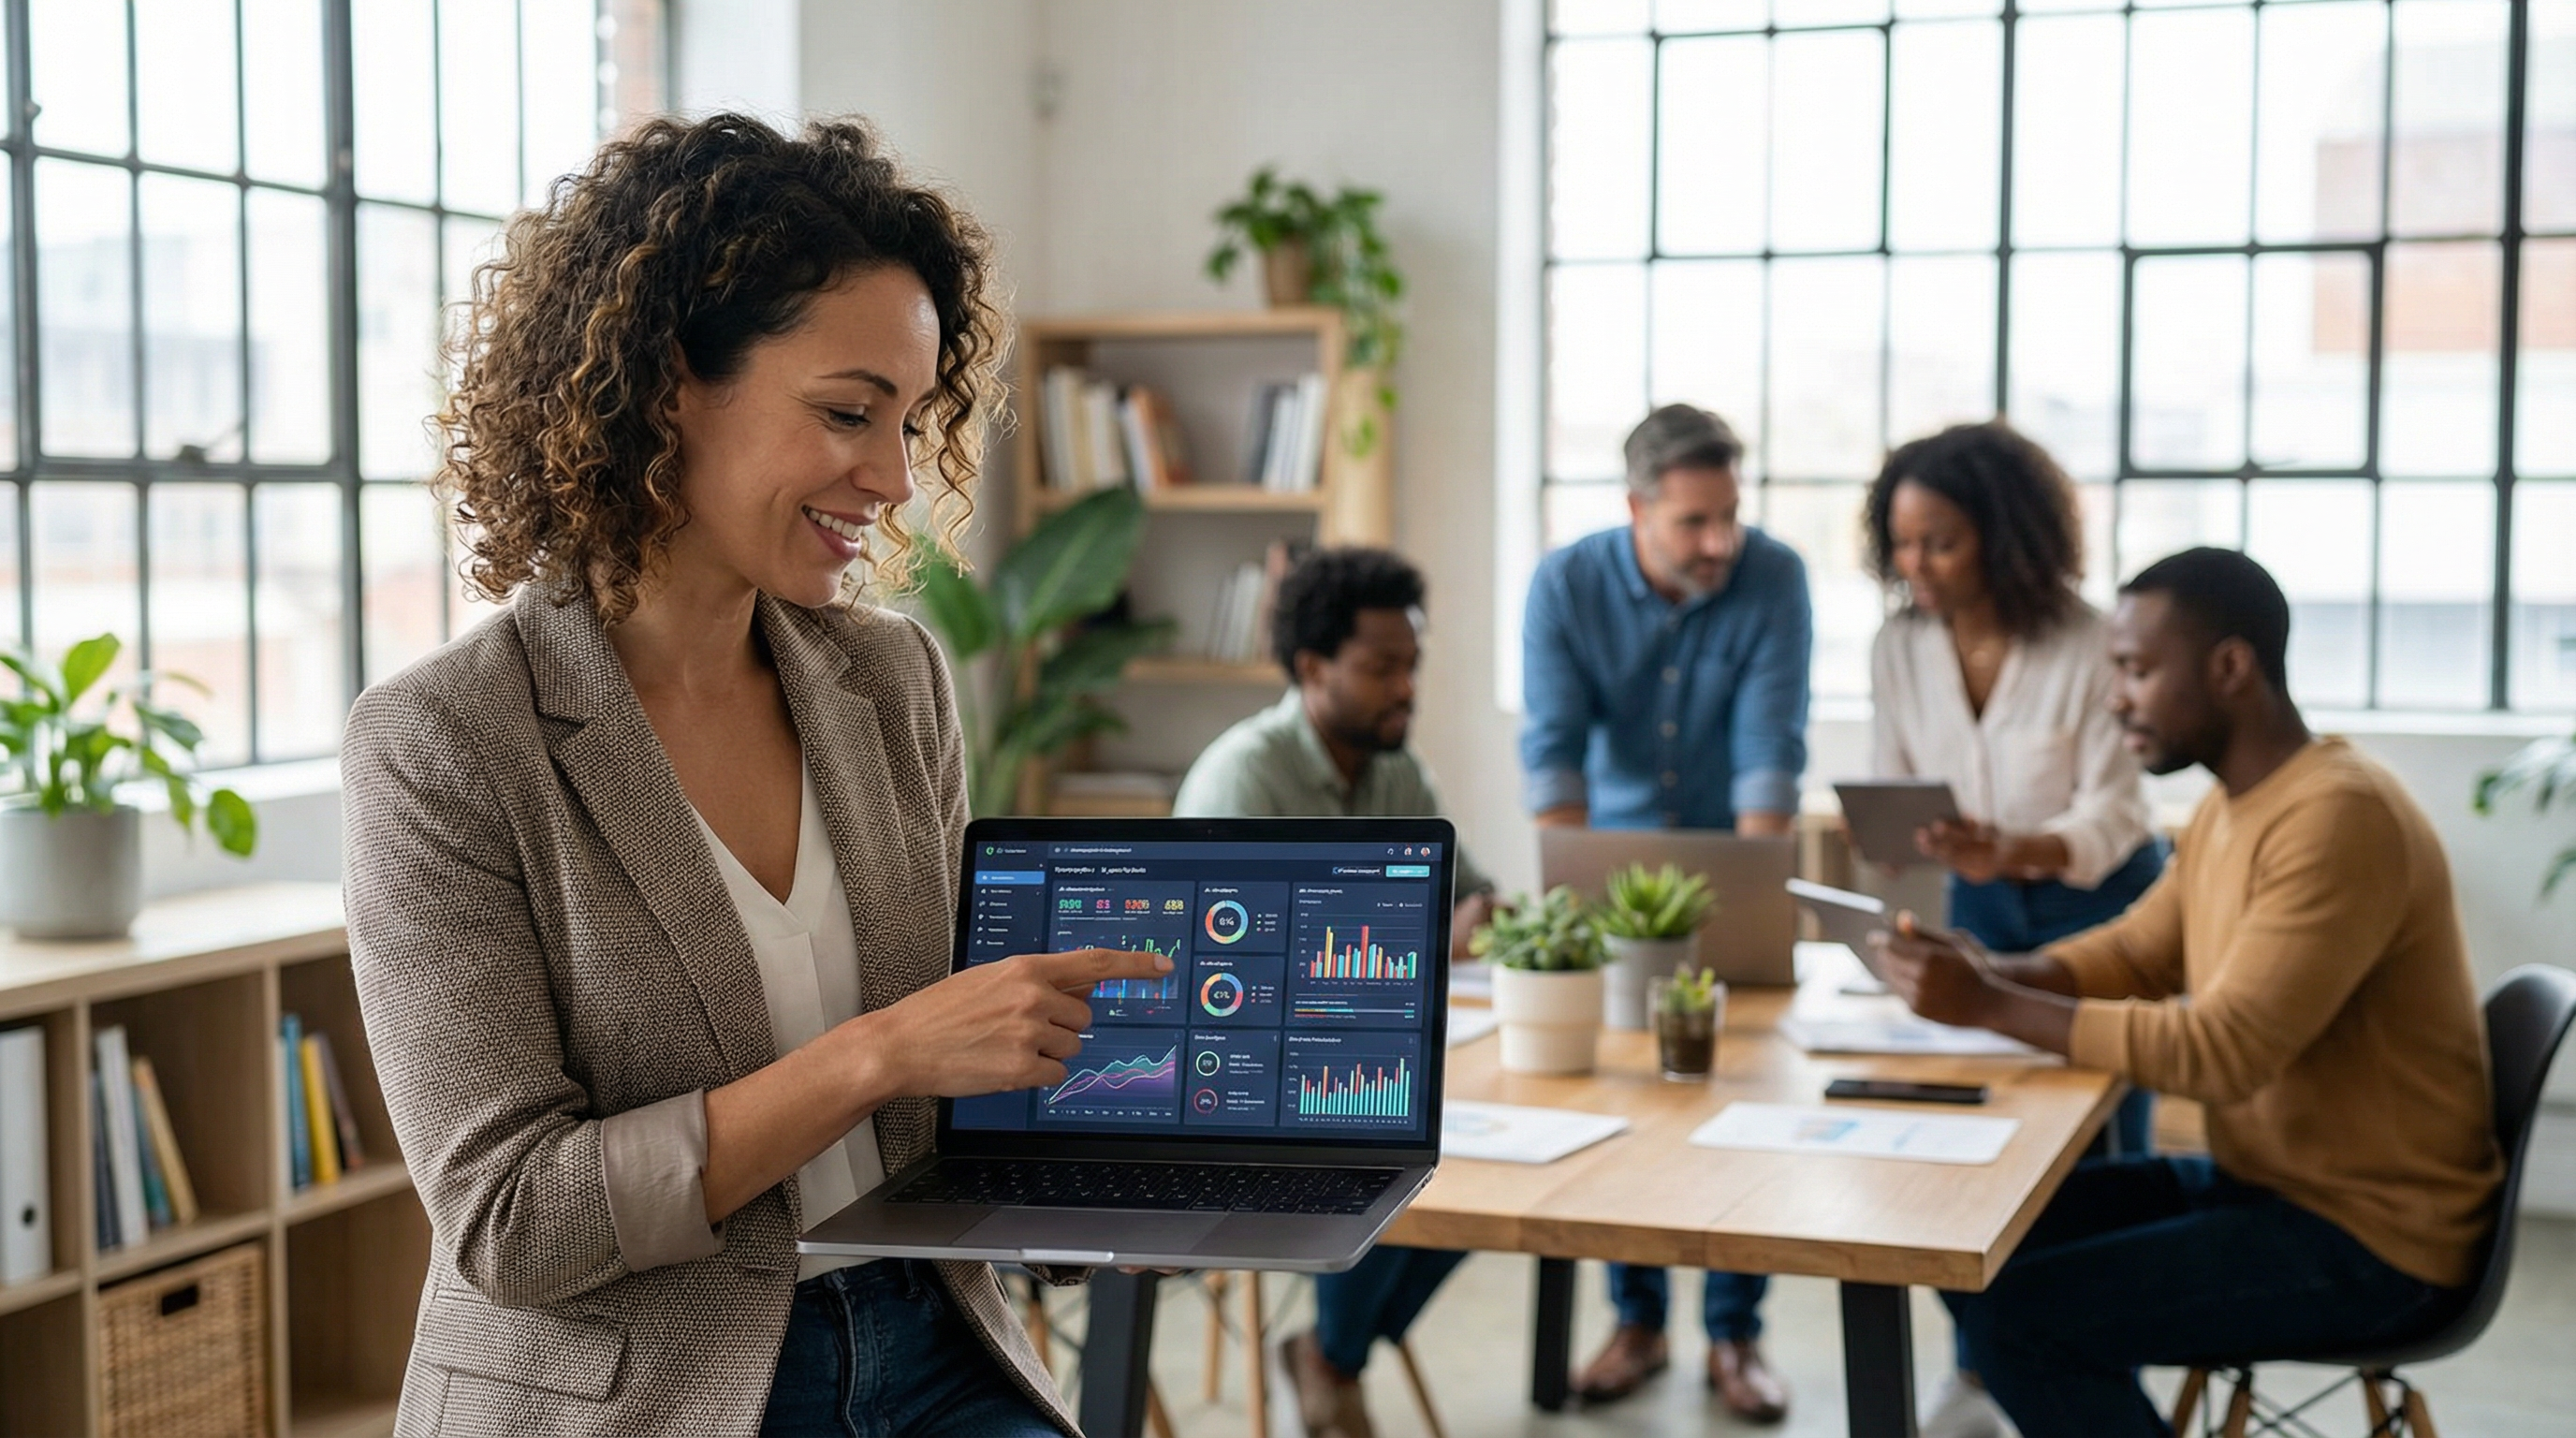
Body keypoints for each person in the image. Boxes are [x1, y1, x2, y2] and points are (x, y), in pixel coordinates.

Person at [340, 114, 1169, 1438]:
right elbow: (513, 1221)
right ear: (669, 383)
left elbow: (960, 1077)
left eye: (910, 421)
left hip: (930, 1338)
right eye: (849, 412)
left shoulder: (890, 681)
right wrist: (882, 1054)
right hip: (649, 1388)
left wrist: (1125, 1151)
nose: (896, 478)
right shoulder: (444, 746)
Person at [1875, 548, 2502, 1438]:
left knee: (2022, 1323)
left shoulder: (2336, 815)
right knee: (1970, 1235)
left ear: (2230, 668)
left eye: (2134, 670)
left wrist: (1987, 1005)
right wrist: (1985, 973)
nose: (2114, 698)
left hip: (2375, 1239)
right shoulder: (2232, 807)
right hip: (2274, 1186)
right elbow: (2135, 952)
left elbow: (2223, 1051)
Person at [1519, 403, 1809, 1421]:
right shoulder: (1566, 583)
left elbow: (1773, 745)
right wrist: (1565, 910)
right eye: (1693, 522)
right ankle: (1636, 1322)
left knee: (1745, 1093)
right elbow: (1553, 751)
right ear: (1636, 507)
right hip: (1614, 874)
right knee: (1620, 1109)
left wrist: (1751, 910)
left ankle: (1736, 1337)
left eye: (1728, 515)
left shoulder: (1773, 576)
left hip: (1736, 856)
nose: (1719, 542)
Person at [1172, 547, 1490, 1438]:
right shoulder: (1245, 776)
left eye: (1413, 664)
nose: (1407, 688)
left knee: (1508, 1173)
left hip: (1353, 1057)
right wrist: (1428, 936)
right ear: (1313, 668)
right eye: (1383, 667)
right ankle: (1335, 1357)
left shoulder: (1396, 770)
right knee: (1389, 1146)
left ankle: (1333, 1351)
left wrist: (1486, 913)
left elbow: (1472, 893)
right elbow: (1229, 974)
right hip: (1235, 1068)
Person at [1865, 421, 2162, 1161]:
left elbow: (2117, 812)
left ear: (2002, 538)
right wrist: (1886, 832)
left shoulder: (2093, 643)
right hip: (1981, 909)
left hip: (2100, 908)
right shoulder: (1898, 647)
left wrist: (2013, 850)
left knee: (2103, 1140)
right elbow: (1895, 777)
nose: (1917, 565)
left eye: (1940, 542)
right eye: (1903, 543)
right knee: (1990, 1122)